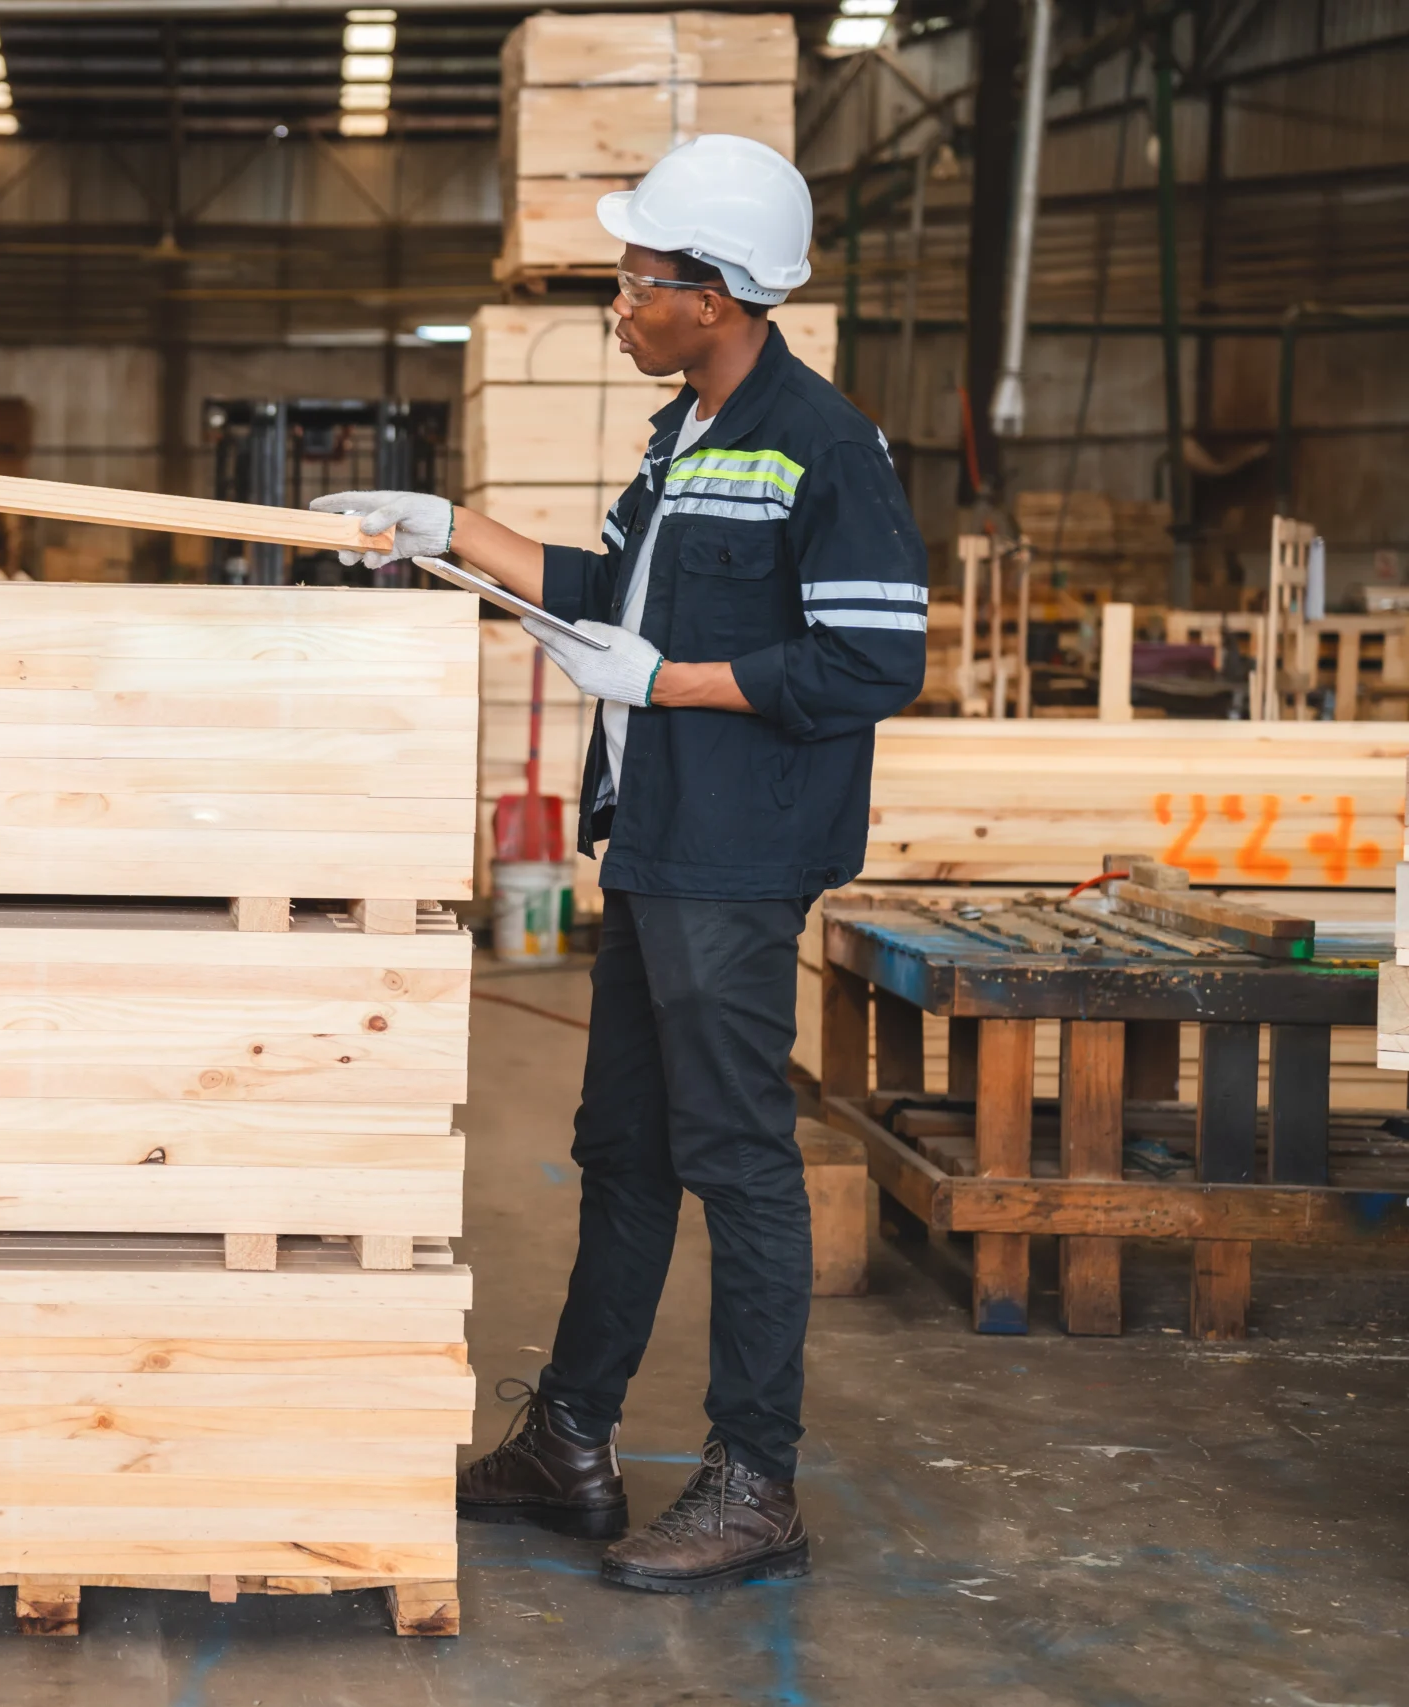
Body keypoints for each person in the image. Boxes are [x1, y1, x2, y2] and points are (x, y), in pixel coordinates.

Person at [311, 135, 926, 1594]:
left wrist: (675, 682)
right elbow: (605, 593)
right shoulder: (685, 436)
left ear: (714, 295)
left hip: (737, 854)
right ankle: (571, 1442)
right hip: (651, 844)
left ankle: (754, 1479)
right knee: (624, 1152)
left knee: (737, 1161)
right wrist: (446, 529)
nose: (618, 304)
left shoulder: (823, 446)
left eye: (639, 282)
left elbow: (872, 656)